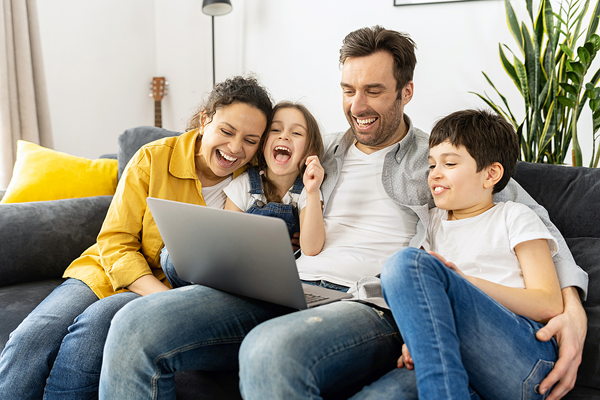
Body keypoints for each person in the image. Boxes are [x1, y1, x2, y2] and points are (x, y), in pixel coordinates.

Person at [98, 26, 588, 400]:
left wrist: (571, 308)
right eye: (348, 90)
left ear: (405, 92)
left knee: (272, 351)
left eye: (374, 90)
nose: (358, 106)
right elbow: (250, 173)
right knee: (135, 326)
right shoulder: (321, 149)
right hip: (286, 287)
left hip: (369, 305)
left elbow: (532, 218)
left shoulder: (439, 157)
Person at [0, 76, 272, 400]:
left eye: (250, 140)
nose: (235, 148)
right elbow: (115, 240)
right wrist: (158, 296)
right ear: (205, 120)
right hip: (108, 271)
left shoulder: (256, 180)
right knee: (32, 337)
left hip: (168, 287)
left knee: (88, 335)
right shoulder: (153, 158)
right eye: (226, 131)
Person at [367, 108, 563, 399]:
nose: (435, 174)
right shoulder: (431, 224)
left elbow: (548, 302)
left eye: (449, 163)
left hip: (523, 357)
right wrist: (416, 338)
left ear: (491, 174)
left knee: (403, 264)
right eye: (432, 165)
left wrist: (463, 281)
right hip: (456, 360)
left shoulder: (514, 216)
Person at [161, 100, 326, 288]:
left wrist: (312, 192)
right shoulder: (244, 184)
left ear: (310, 150)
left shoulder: (308, 190)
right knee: (171, 256)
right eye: (276, 130)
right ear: (262, 144)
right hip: (239, 273)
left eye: (296, 133)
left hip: (275, 279)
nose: (284, 137)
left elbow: (311, 248)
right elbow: (227, 244)